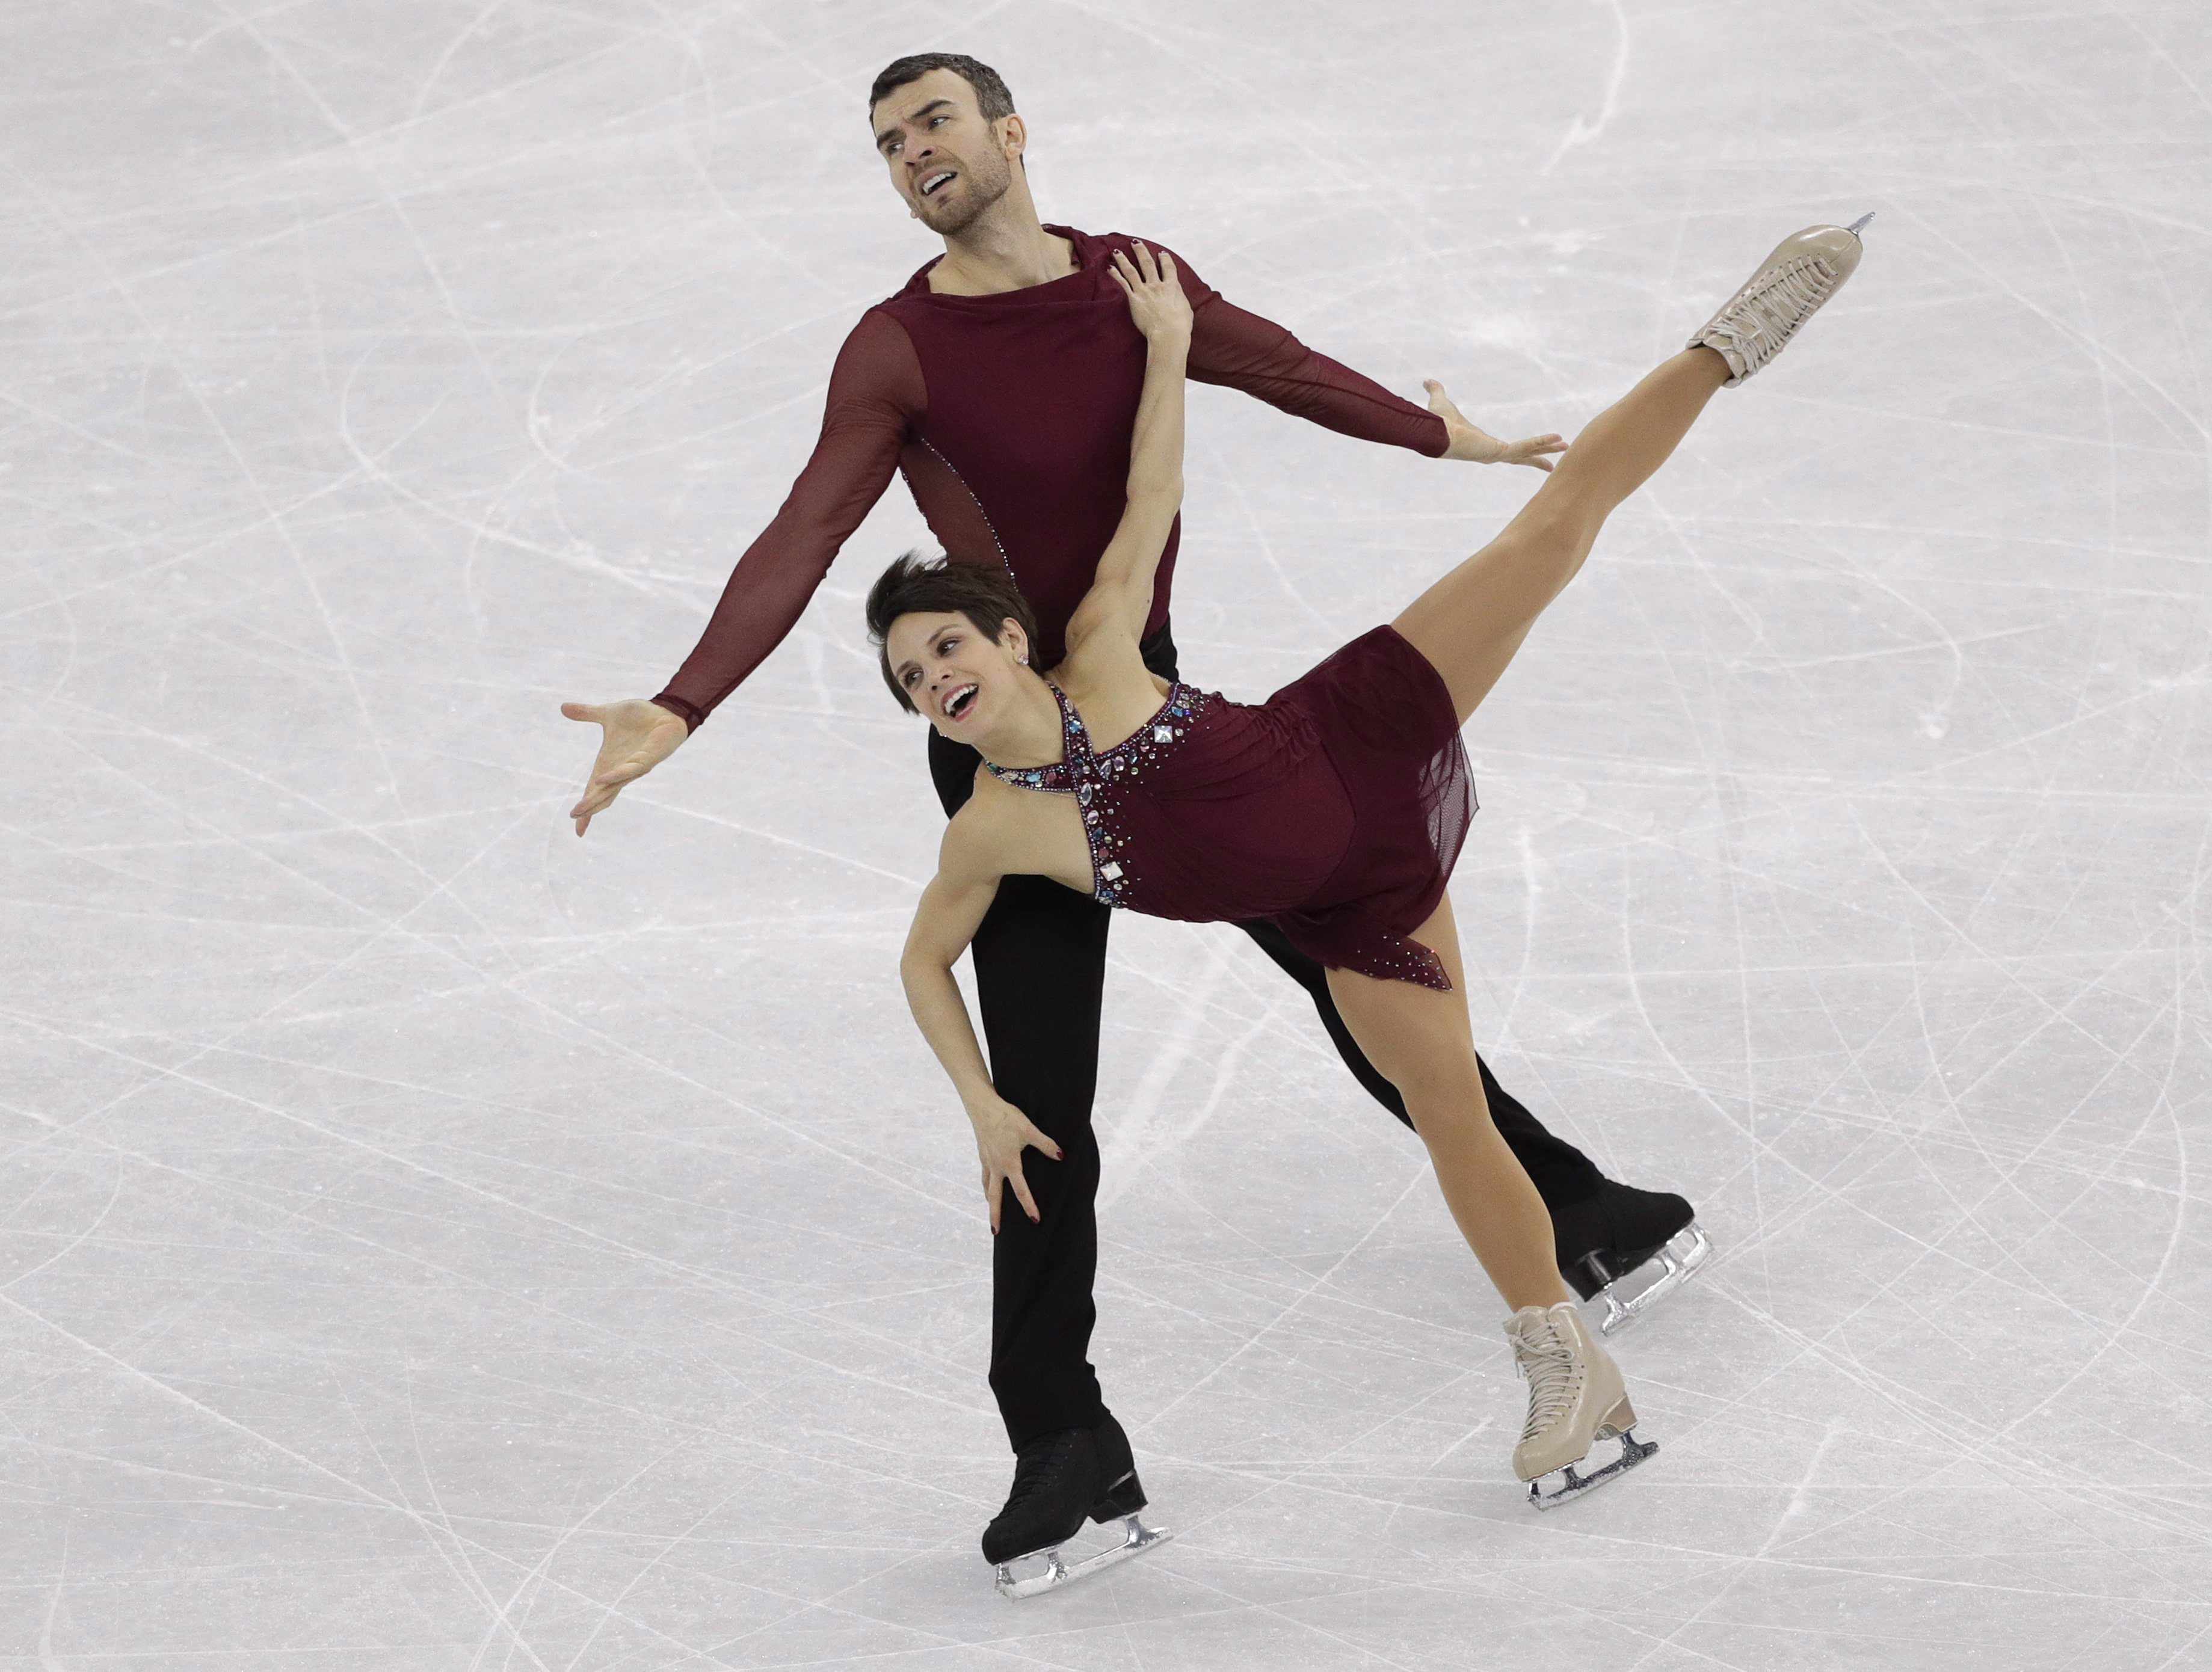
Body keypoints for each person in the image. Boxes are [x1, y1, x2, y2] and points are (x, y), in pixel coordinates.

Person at [561, 50, 1709, 1570]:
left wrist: (1452, 440)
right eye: (890, 142)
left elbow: (1278, 366)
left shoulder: (1130, 283)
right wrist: (686, 698)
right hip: (1011, 774)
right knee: (1039, 1108)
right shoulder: (896, 348)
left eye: (937, 124)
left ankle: (1568, 1208)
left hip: (1142, 699)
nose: (915, 155)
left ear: (1011, 132)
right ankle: (1063, 1439)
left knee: (1357, 962)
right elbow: (806, 525)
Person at [880, 223, 1867, 1591]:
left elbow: (1151, 486)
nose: (935, 677)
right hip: (1355, 905)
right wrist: (984, 1101)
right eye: (911, 677)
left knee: (1553, 525)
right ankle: (1567, 1367)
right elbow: (926, 962)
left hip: (1352, 731)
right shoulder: (993, 827)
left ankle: (1734, 334)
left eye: (945, 645)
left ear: (1001, 635)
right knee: (1446, 1103)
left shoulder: (1101, 643)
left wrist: (1165, 351)